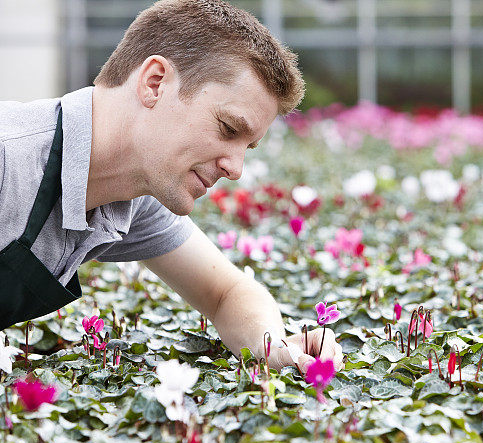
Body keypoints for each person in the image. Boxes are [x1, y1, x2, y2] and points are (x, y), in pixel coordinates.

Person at [0, 0, 342, 374]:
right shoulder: (8, 159)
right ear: (155, 82)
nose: (236, 169)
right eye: (228, 128)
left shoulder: (133, 199)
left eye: (248, 146)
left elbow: (226, 293)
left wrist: (276, 348)